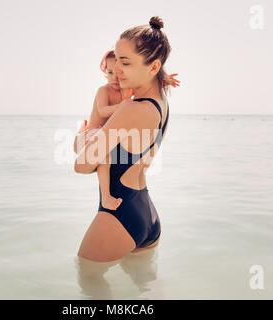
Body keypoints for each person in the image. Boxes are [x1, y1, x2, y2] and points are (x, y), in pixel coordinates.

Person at [74, 16, 172, 262]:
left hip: (119, 214)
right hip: (147, 215)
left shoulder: (131, 110)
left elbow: (82, 165)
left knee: (88, 287)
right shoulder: (162, 103)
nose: (116, 69)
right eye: (116, 59)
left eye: (125, 62)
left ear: (153, 67)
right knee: (143, 289)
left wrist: (79, 139)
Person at [76, 50, 179, 211]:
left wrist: (163, 80)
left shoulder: (130, 95)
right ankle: (106, 196)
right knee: (104, 159)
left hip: (103, 135)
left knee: (105, 157)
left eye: (119, 71)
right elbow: (103, 111)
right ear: (105, 73)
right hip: (92, 132)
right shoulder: (104, 91)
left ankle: (106, 198)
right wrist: (123, 106)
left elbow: (145, 85)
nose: (115, 77)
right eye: (110, 72)